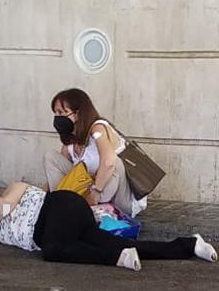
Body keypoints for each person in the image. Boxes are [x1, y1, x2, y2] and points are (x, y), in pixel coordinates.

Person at [0, 182, 216, 271]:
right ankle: (189, 244)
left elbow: (2, 206)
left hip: (60, 208)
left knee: (53, 250)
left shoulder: (13, 191)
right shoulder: (0, 232)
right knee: (129, 245)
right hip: (62, 231)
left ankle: (115, 258)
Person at [44, 88, 147, 217]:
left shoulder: (98, 129)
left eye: (62, 112)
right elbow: (62, 176)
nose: (58, 118)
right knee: (51, 157)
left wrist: (96, 192)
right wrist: (38, 195)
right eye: (56, 113)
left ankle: (84, 206)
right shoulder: (70, 141)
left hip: (118, 198)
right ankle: (59, 202)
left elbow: (109, 163)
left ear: (77, 114)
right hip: (88, 192)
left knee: (114, 162)